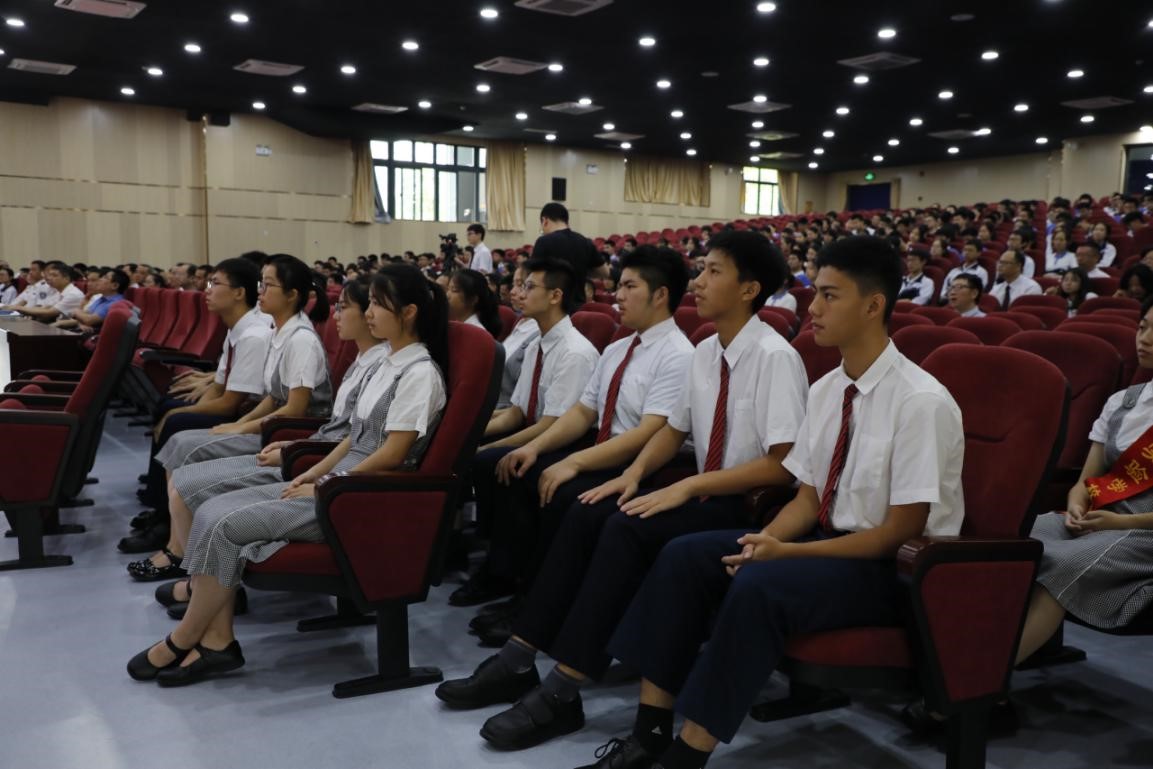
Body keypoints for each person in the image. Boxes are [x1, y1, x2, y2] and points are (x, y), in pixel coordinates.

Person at [584, 235, 964, 769]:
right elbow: (808, 497)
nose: (814, 308)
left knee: (761, 584)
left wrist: (789, 554)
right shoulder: (828, 389)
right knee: (686, 557)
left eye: (830, 296)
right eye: (816, 292)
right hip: (827, 544)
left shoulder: (921, 401)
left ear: (873, 305)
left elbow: (899, 532)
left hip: (895, 572)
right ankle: (648, 731)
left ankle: (687, 754)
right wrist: (767, 541)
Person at [434, 231, 809, 753]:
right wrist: (631, 475)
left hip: (747, 505)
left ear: (749, 289)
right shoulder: (707, 350)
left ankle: (562, 688)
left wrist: (686, 485)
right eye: (701, 270)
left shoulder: (774, 356)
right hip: (703, 490)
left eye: (713, 272)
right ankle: (521, 656)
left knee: (622, 527)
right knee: (594, 510)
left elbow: (781, 467)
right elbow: (673, 430)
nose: (699, 282)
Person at [126, 264, 449, 686]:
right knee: (209, 510)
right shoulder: (385, 363)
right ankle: (218, 641)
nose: (369, 313)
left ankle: (183, 638)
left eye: (377, 304)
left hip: (360, 499)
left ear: (408, 312)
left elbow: (393, 452)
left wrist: (327, 485)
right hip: (339, 484)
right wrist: (310, 473)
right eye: (368, 303)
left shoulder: (419, 372)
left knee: (224, 525)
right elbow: (352, 438)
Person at [453, 246, 693, 628]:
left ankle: (538, 606)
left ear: (660, 295)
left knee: (561, 493)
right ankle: (515, 582)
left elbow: (650, 431)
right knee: (518, 469)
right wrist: (532, 447)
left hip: (639, 463)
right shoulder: (618, 348)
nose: (618, 295)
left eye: (629, 287)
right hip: (602, 448)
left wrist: (572, 462)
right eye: (619, 285)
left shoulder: (678, 354)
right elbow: (582, 412)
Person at [146, 276, 390, 614]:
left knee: (195, 481)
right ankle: (199, 580)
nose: (334, 315)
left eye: (268, 285)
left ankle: (206, 592)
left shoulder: (369, 361)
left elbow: (356, 437)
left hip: (318, 459)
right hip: (311, 450)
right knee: (186, 471)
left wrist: (299, 458)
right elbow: (336, 427)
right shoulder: (361, 360)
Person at [133, 256, 332, 568]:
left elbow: (294, 408)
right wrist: (241, 424)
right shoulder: (280, 333)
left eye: (268, 286)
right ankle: (176, 542)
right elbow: (273, 398)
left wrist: (242, 428)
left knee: (185, 445)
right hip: (273, 426)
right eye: (260, 284)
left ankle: (178, 550)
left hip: (291, 434)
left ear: (292, 295)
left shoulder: (301, 340)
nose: (260, 292)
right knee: (180, 440)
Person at [1015, 295, 1153, 671]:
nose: (1145, 339)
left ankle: (978, 682)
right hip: (1100, 517)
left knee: (1064, 562)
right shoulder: (1124, 402)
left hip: (1142, 531)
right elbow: (1085, 481)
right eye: (1143, 327)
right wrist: (1077, 504)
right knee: (1017, 538)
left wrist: (1119, 522)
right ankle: (967, 657)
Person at [457, 257, 600, 605]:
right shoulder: (537, 344)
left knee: (492, 461)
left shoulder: (575, 352)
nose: (519, 293)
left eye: (529, 286)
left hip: (567, 440)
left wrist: (493, 448)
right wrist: (470, 433)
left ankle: (506, 569)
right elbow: (517, 412)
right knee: (474, 453)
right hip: (539, 430)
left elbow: (553, 424)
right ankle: (495, 556)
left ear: (555, 296)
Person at [120, 258, 274, 554]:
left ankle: (164, 522)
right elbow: (217, 387)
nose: (207, 290)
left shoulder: (254, 335)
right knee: (169, 409)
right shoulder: (236, 328)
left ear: (239, 293)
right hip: (238, 407)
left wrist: (178, 414)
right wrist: (180, 410)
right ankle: (159, 504)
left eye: (215, 283)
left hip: (250, 417)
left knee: (175, 420)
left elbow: (229, 404)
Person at [534, 202, 608, 295]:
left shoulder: (543, 241)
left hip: (552, 301)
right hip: (578, 302)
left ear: (544, 220)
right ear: (566, 221)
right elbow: (605, 273)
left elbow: (533, 277)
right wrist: (582, 271)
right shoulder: (585, 241)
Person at [497, 266, 540, 410]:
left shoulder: (538, 333)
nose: (513, 292)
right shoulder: (522, 321)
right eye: (514, 285)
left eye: (521, 285)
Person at [3, 260, 85, 322]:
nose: (49, 278)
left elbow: (49, 312)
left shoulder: (72, 294)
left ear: (66, 278)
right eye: (50, 274)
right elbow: (45, 308)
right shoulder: (59, 292)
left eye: (54, 275)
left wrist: (17, 308)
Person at [54, 268, 128, 331]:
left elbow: (89, 320)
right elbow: (83, 315)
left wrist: (76, 311)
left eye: (105, 277)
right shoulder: (102, 298)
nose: (100, 280)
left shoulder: (115, 304)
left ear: (115, 286)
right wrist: (81, 323)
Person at [447, 268, 502, 338]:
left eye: (454, 290)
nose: (447, 295)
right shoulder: (455, 324)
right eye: (448, 289)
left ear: (473, 299)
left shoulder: (477, 334)